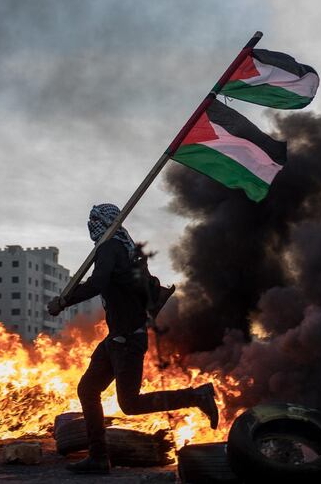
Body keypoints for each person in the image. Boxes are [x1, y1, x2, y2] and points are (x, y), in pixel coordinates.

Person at [47, 203, 218, 475]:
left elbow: (98, 283)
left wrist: (64, 301)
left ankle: (196, 396)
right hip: (119, 337)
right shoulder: (126, 250)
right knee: (88, 389)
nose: (90, 227)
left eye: (93, 222)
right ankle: (99, 457)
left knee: (130, 404)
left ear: (100, 224)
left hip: (126, 340)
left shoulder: (108, 248)